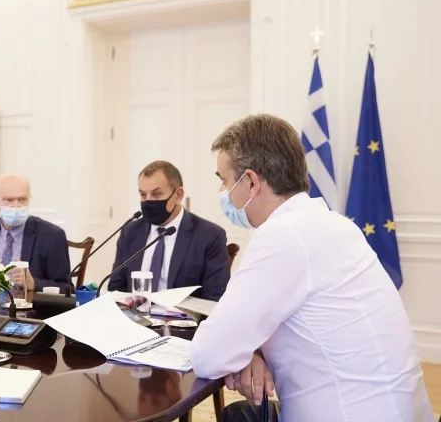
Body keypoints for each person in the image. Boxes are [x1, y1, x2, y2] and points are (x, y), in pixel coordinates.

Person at [190, 114, 434, 421]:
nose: (223, 192)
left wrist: (239, 351)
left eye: (224, 181)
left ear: (250, 182)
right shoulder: (332, 224)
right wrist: (248, 351)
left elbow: (208, 355)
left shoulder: (283, 236)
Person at [108, 161, 231, 301]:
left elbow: (214, 298)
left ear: (178, 195)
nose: (148, 201)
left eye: (156, 194)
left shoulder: (210, 236)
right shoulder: (131, 232)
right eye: (143, 195)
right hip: (134, 313)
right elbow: (116, 288)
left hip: (182, 314)